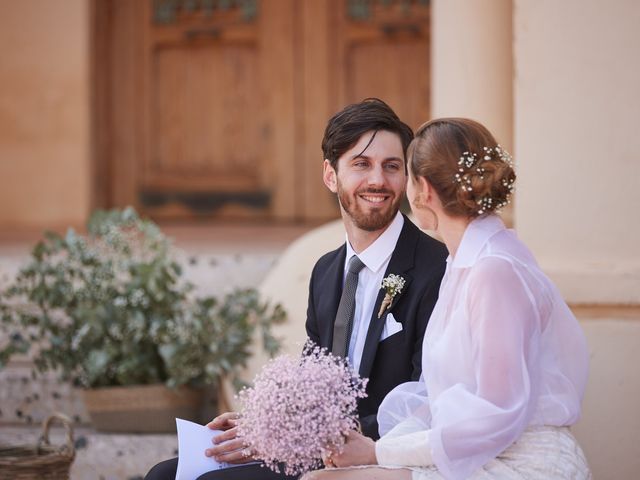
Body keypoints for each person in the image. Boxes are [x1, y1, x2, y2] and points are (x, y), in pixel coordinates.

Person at [144, 99, 447, 480]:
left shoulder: (436, 268)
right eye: (361, 164)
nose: (378, 181)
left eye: (392, 167)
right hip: (314, 449)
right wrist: (262, 424)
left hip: (378, 456)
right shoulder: (325, 272)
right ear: (330, 175)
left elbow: (429, 401)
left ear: (406, 178)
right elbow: (311, 387)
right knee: (164, 475)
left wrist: (307, 438)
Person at [303, 118, 591, 480]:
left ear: (422, 189)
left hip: (517, 461)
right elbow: (435, 397)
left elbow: (497, 413)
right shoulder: (463, 264)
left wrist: (379, 451)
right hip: (474, 452)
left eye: (400, 172)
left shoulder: (492, 272)